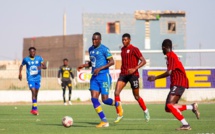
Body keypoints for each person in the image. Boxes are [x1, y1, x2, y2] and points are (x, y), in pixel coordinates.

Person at [147, 39, 200, 130]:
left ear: (164, 47)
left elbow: (169, 72)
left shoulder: (171, 56)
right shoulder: (170, 56)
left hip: (179, 83)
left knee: (169, 105)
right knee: (168, 108)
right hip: (177, 83)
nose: (162, 50)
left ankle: (186, 125)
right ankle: (191, 106)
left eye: (162, 48)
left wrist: (155, 78)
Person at [77, 32, 118, 128]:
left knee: (105, 99)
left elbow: (112, 62)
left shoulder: (104, 49)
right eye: (93, 39)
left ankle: (117, 104)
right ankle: (104, 120)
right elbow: (93, 62)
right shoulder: (91, 49)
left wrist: (100, 68)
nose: (94, 41)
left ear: (100, 40)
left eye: (96, 39)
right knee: (94, 98)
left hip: (104, 77)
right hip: (94, 77)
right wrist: (85, 65)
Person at [114, 33, 150, 123]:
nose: (124, 41)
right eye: (123, 40)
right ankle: (120, 113)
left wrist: (134, 68)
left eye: (125, 40)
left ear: (129, 40)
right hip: (123, 74)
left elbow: (143, 61)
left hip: (133, 75)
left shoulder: (135, 49)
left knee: (136, 96)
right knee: (116, 92)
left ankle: (146, 111)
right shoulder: (122, 49)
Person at [18, 47, 47, 115]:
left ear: (35, 52)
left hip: (38, 78)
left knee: (36, 94)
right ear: (29, 52)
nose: (32, 53)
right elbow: (21, 66)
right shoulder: (26, 59)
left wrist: (38, 67)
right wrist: (20, 73)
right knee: (33, 92)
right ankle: (35, 109)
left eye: (33, 52)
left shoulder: (39, 58)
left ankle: (33, 108)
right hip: (30, 78)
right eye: (31, 52)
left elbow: (45, 67)